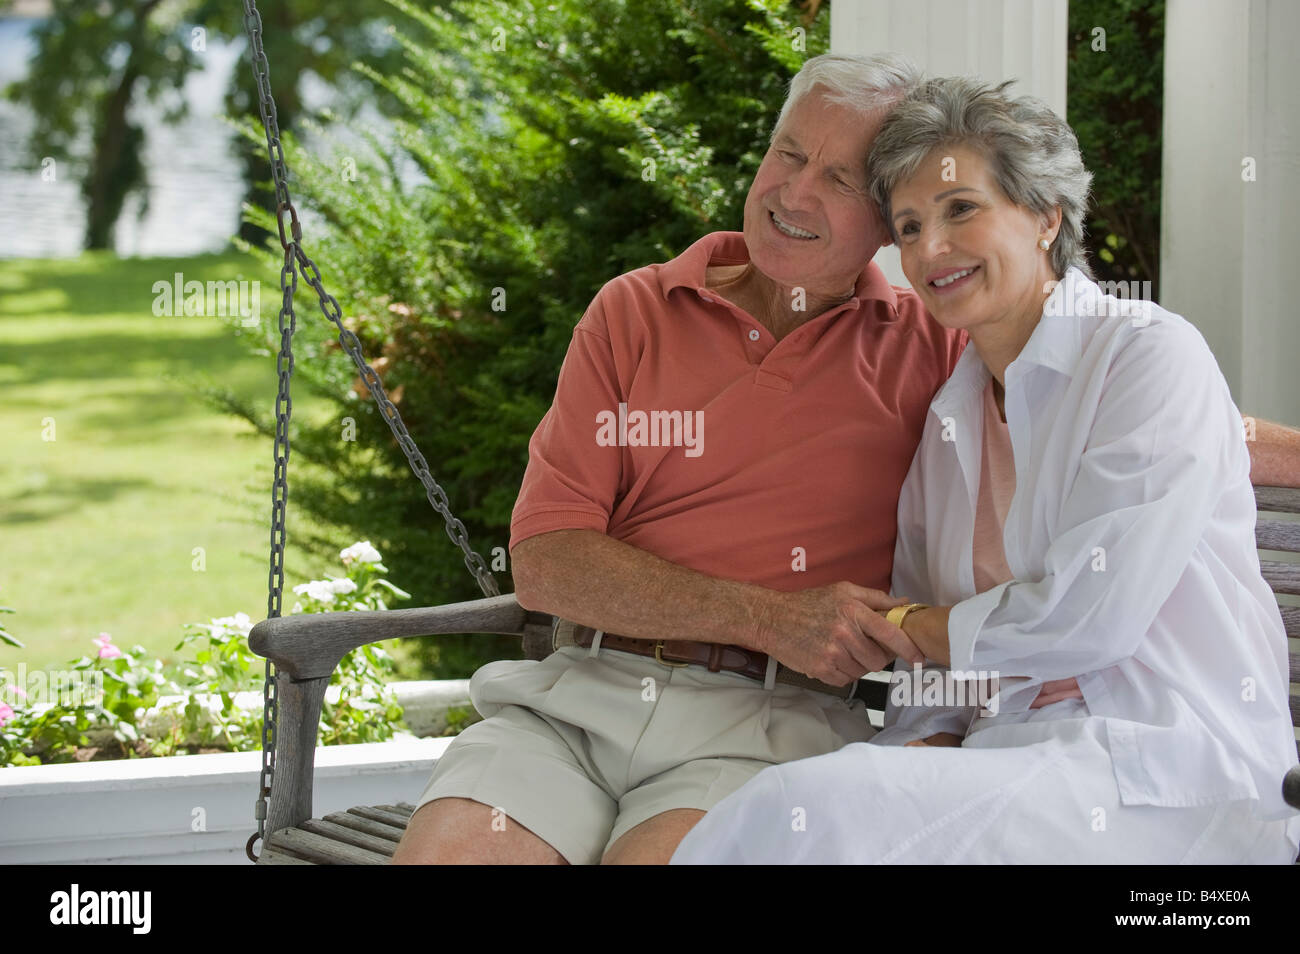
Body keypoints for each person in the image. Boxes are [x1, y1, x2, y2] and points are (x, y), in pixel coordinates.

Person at [670, 76, 1300, 864]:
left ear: (1045, 215)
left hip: (1166, 772)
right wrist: (927, 733)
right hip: (1014, 765)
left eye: (960, 209)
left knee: (799, 813)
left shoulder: (1147, 355)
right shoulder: (947, 419)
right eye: (907, 226)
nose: (930, 249)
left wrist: (912, 629)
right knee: (828, 807)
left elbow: (1088, 617)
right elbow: (935, 658)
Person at [390, 51, 962, 865]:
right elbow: (548, 566)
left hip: (767, 729)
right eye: (789, 153)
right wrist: (768, 616)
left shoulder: (935, 350)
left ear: (891, 218)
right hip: (573, 704)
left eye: (840, 180)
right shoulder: (634, 310)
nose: (793, 194)